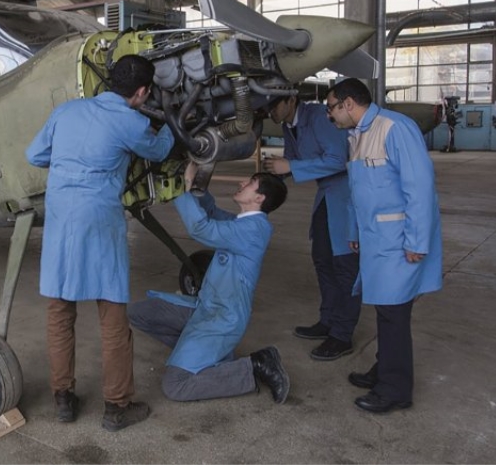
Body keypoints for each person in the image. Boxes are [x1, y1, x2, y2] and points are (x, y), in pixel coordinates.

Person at [25, 54, 175, 431]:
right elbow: (159, 151)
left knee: (60, 312)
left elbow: (34, 154)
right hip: (98, 220)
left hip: (60, 220)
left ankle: (63, 399)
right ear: (141, 93)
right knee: (112, 317)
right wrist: (174, 122)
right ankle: (116, 407)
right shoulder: (130, 120)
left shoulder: (66, 111)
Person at [325, 78, 443, 414]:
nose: (330, 116)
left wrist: (418, 241)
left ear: (349, 103)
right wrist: (353, 229)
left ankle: (395, 389)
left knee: (393, 313)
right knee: (385, 309)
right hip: (377, 241)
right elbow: (359, 191)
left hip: (399, 241)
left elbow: (419, 188)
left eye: (331, 108)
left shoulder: (394, 128)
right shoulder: (357, 136)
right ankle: (385, 369)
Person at [128, 163, 290, 405]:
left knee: (175, 386)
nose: (241, 183)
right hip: (203, 308)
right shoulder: (243, 222)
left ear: (259, 197)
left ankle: (256, 365)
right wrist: (197, 185)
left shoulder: (254, 230)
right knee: (137, 314)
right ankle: (204, 355)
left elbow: (201, 227)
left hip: (222, 318)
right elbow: (211, 212)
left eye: (249, 183)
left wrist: (181, 188)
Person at [263, 95, 361, 361]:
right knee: (322, 260)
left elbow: (337, 160)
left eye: (274, 104)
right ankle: (327, 320)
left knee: (345, 267)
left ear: (290, 99)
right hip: (326, 198)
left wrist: (290, 165)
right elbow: (295, 161)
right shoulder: (289, 125)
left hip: (344, 198)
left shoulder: (318, 117)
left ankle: (342, 335)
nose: (270, 111)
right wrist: (275, 173)